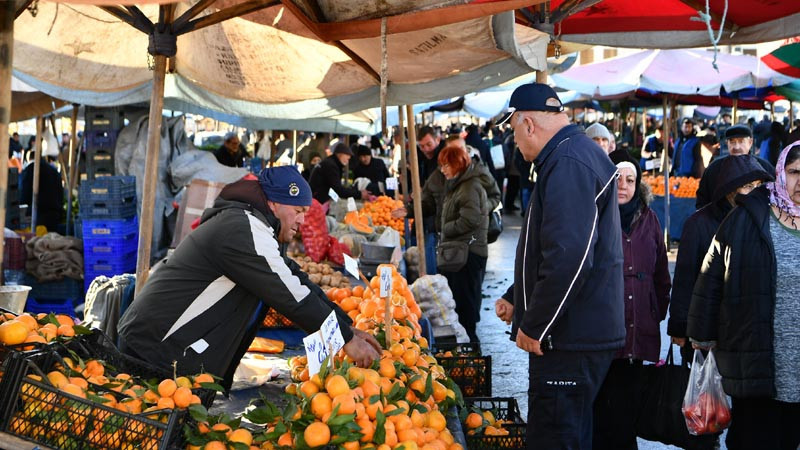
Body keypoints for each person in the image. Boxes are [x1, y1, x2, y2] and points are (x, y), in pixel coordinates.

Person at [118, 167, 382, 389]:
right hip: (155, 347)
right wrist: (344, 339)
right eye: (298, 210)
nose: (302, 220)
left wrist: (347, 326)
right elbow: (290, 294)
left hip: (165, 348)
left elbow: (297, 279)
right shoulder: (242, 228)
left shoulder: (257, 227)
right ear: (274, 203)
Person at [502, 83, 624, 449]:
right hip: (576, 333)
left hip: (569, 338)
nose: (514, 141)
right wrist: (517, 297)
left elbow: (569, 258)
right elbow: (555, 248)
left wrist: (536, 324)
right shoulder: (569, 156)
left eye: (512, 131)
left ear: (527, 124)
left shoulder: (569, 161)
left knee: (556, 438)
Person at [687, 142, 800, 450]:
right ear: (778, 174)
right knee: (755, 438)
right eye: (794, 172)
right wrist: (700, 334)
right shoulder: (746, 218)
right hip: (756, 361)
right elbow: (711, 276)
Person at [593, 150, 671, 449]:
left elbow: (662, 275)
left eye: (630, 179)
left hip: (639, 333)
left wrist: (654, 310)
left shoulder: (649, 220)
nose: (623, 185)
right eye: (617, 178)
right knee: (601, 410)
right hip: (602, 334)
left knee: (628, 411)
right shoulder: (594, 216)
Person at [669, 155, 773, 364]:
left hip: (749, 330)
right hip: (708, 327)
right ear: (730, 188)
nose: (754, 191)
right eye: (747, 186)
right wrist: (680, 327)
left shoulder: (764, 220)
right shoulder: (699, 224)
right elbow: (684, 279)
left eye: (757, 185)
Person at [436, 144, 490, 342]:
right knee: (462, 301)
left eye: (445, 165)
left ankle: (471, 346)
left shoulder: (469, 187)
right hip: (463, 252)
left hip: (469, 253)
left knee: (465, 303)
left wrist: (446, 229)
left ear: (457, 164)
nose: (442, 170)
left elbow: (471, 219)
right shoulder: (460, 184)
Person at [696, 124, 775, 209]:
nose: (737, 147)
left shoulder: (763, 167)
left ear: (750, 142)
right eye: (732, 142)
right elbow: (702, 200)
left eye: (741, 141)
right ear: (727, 143)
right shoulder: (714, 168)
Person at [20, 144, 64, 231]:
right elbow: (61, 193)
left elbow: (24, 195)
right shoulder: (53, 170)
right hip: (54, 215)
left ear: (29, 159)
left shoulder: (30, 170)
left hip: (37, 216)